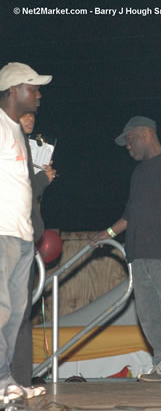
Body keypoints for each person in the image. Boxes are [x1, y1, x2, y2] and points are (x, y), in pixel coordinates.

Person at [90, 116, 161, 382]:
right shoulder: (139, 172)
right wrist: (104, 234)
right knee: (149, 314)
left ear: (144, 134)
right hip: (139, 252)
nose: (128, 147)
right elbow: (130, 215)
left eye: (129, 140)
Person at [0, 62, 51, 400]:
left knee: (16, 314)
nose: (38, 94)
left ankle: (7, 380)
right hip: (1, 232)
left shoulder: (17, 130)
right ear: (14, 89)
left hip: (21, 235)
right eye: (33, 88)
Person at [10, 112, 56, 387]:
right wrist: (43, 180)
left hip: (25, 234)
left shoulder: (25, 144)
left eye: (33, 115)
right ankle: (13, 379)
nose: (31, 117)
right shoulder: (9, 143)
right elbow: (17, 189)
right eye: (24, 112)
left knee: (21, 314)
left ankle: (20, 379)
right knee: (12, 313)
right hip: (11, 236)